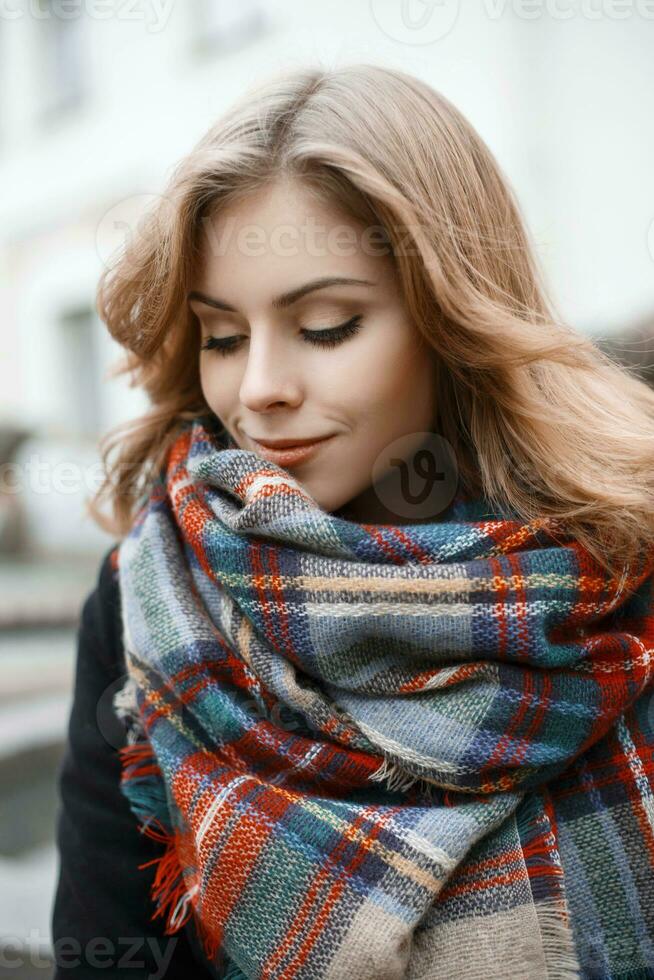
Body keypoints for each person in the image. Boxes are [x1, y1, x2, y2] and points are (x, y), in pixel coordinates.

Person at [51, 63, 654, 979]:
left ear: (454, 315)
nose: (258, 389)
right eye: (221, 335)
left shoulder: (620, 563)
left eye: (327, 325)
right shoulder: (156, 588)